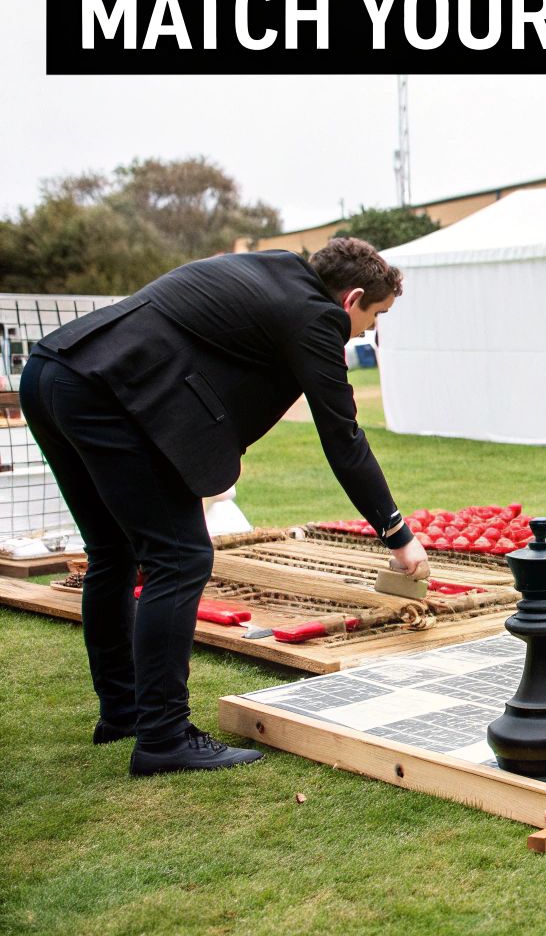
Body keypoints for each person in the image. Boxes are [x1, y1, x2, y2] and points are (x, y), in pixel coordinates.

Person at [20, 238, 430, 776]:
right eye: (374, 316)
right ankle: (164, 737)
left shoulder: (277, 271)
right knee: (181, 558)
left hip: (53, 371)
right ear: (351, 299)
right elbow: (342, 436)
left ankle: (123, 714)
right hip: (105, 393)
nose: (369, 329)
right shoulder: (314, 317)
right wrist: (398, 534)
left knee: (113, 554)